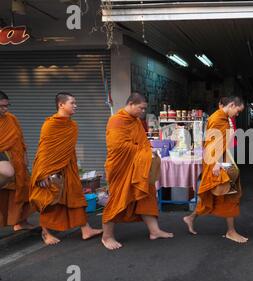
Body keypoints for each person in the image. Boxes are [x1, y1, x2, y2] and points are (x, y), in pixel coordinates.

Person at [101, 92, 173, 250]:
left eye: (144, 109)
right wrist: (146, 152)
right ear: (131, 104)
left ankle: (154, 231)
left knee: (146, 195)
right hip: (120, 167)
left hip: (138, 167)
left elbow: (142, 142)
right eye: (141, 108)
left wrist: (148, 151)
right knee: (117, 199)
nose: (143, 111)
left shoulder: (136, 122)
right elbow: (118, 146)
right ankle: (107, 237)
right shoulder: (116, 120)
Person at [30, 93, 102, 245]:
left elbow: (68, 149)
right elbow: (44, 150)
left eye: (75, 103)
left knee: (75, 196)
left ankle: (85, 229)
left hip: (68, 167)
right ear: (61, 105)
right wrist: (42, 174)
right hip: (49, 169)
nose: (75, 105)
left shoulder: (72, 125)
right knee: (49, 201)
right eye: (72, 103)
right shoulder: (50, 124)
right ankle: (46, 233)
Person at [183, 95, 248, 243]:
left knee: (214, 194)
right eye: (237, 111)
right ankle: (231, 231)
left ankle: (190, 217)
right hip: (217, 162)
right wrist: (215, 164)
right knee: (230, 194)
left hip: (222, 159)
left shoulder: (224, 118)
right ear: (231, 105)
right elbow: (212, 144)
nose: (237, 114)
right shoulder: (218, 118)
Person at [0, 90, 34, 230]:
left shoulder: (11, 118)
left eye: (7, 106)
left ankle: (21, 221)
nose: (5, 109)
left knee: (26, 190)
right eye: (1, 106)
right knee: (6, 195)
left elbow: (20, 138)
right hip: (4, 161)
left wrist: (25, 157)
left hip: (18, 160)